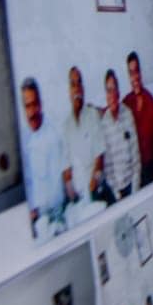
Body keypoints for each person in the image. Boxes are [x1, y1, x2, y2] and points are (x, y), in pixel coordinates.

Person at [20, 77, 71, 236]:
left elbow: (66, 174)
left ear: (40, 104)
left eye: (35, 105)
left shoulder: (53, 133)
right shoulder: (22, 140)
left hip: (59, 214)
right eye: (28, 106)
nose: (32, 112)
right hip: (36, 221)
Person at [123, 52, 153, 185]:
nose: (134, 77)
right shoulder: (127, 102)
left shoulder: (150, 101)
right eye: (131, 72)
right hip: (136, 170)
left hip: (152, 168)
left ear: (140, 72)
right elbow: (114, 110)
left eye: (136, 71)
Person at [63, 66, 101, 224]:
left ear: (83, 88)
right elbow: (66, 171)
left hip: (96, 192)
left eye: (79, 83)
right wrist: (72, 195)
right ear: (69, 91)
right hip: (78, 200)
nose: (77, 88)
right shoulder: (66, 126)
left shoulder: (93, 116)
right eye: (73, 84)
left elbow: (100, 159)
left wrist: (95, 181)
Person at [99, 68, 140, 202]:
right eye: (108, 90)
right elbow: (108, 167)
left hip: (132, 186)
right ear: (105, 94)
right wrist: (117, 195)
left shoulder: (128, 115)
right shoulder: (103, 124)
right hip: (116, 193)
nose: (112, 95)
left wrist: (135, 191)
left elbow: (136, 157)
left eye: (114, 89)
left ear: (118, 92)